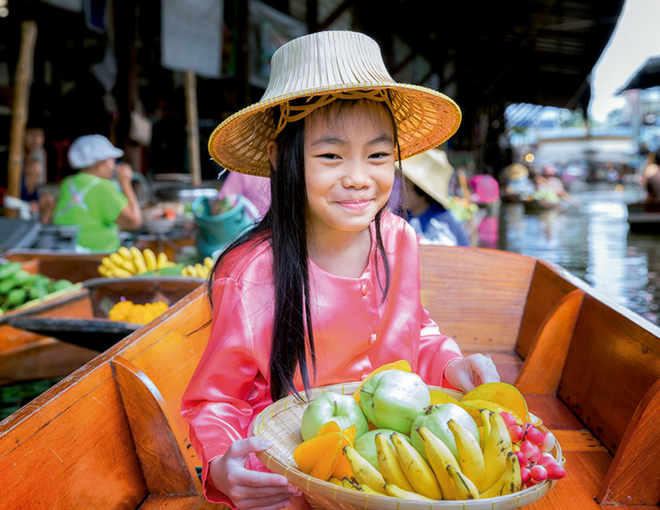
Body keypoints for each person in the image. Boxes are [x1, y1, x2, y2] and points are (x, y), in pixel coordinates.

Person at [181, 31, 500, 510]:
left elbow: (418, 328)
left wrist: (450, 363)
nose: (358, 176)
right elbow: (216, 401)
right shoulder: (250, 271)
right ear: (280, 158)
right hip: (292, 479)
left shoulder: (397, 238)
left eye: (376, 155)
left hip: (395, 466)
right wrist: (225, 465)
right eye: (330, 155)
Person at [52, 134, 142, 252]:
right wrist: (126, 184)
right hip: (99, 256)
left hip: (67, 253)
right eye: (112, 161)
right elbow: (134, 222)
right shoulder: (103, 187)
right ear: (99, 164)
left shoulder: (67, 183)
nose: (114, 167)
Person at [398, 148, 470, 246]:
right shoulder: (402, 216)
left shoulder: (442, 221)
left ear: (422, 192)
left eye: (406, 187)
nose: (400, 190)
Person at [21, 155, 55, 224]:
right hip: (20, 208)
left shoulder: (34, 185)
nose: (37, 176)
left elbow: (34, 199)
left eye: (38, 173)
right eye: (34, 172)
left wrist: (34, 204)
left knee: (49, 200)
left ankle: (41, 227)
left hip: (29, 208)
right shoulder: (21, 182)